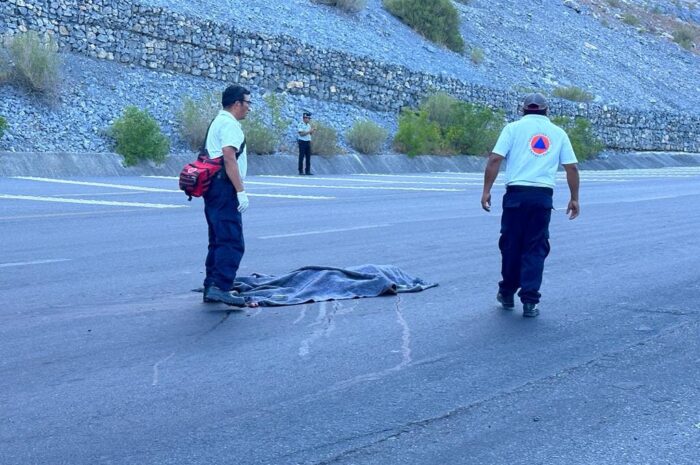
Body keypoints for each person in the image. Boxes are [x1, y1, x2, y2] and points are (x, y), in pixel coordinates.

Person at [481, 92, 580, 317]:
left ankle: (506, 292)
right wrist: (574, 198)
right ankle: (530, 301)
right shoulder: (558, 133)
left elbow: (495, 159)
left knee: (510, 245)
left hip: (515, 196)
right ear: (547, 110)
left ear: (523, 109)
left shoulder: (512, 129)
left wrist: (486, 190)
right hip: (542, 198)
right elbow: (571, 168)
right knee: (535, 247)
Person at [202, 85, 252, 306]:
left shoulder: (217, 121)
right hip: (225, 187)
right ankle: (221, 287)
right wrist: (240, 191)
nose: (249, 108)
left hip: (213, 187)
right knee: (231, 240)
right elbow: (229, 159)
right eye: (247, 103)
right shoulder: (230, 125)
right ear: (236, 103)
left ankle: (211, 284)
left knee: (217, 238)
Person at [297, 111, 315, 175]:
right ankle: (300, 171)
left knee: (308, 157)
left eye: (309, 118)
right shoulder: (300, 124)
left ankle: (307, 171)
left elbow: (310, 134)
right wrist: (309, 131)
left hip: (308, 142)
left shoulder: (309, 125)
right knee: (301, 156)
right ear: (304, 118)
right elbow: (301, 134)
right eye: (308, 118)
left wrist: (312, 131)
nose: (309, 119)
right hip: (302, 142)